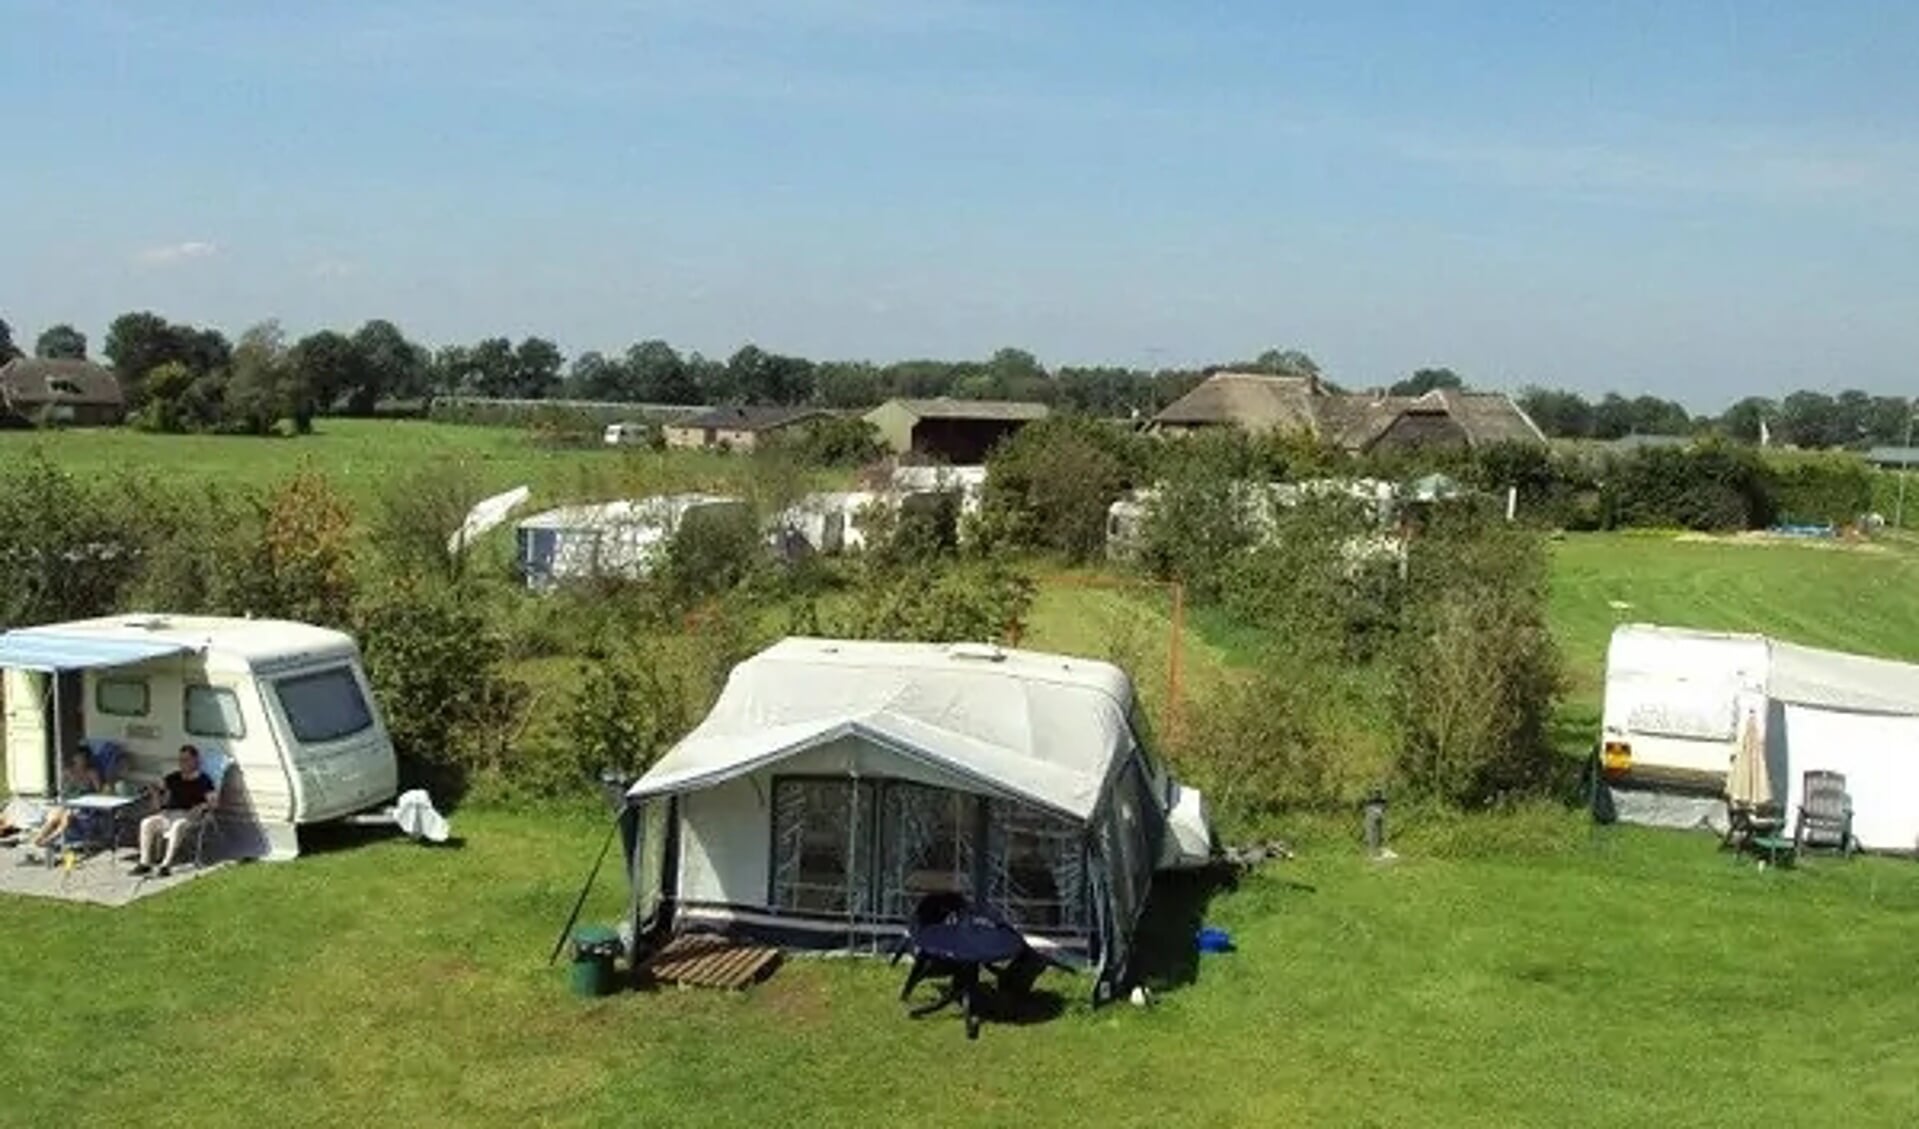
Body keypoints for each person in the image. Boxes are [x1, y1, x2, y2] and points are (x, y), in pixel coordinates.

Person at [132, 745, 219, 878]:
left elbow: (213, 803)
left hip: (189, 816)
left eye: (186, 760)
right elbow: (157, 790)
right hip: (168, 815)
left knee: (178, 825)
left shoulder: (204, 780)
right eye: (180, 760)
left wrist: (201, 806)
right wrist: (153, 790)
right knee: (146, 823)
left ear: (195, 760)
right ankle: (145, 863)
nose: (182, 763)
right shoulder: (173, 777)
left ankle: (165, 866)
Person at [21, 748, 103, 863]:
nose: (81, 761)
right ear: (74, 758)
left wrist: (88, 792)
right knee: (54, 817)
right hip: (66, 803)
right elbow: (60, 791)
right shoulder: (67, 772)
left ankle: (48, 840)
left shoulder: (92, 773)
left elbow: (99, 793)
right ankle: (37, 840)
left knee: (67, 817)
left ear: (88, 760)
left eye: (83, 758)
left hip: (83, 806)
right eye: (78, 757)